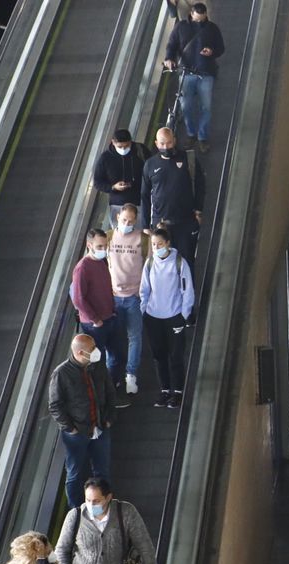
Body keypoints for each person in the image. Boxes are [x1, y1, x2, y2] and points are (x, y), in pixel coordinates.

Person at [47, 334, 116, 509]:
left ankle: (101, 508)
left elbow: (110, 392)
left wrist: (108, 419)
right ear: (79, 352)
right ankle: (76, 512)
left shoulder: (98, 366)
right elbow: (55, 405)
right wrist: (71, 429)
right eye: (92, 349)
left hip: (100, 428)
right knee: (74, 475)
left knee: (103, 472)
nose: (96, 351)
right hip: (76, 435)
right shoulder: (61, 374)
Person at [140, 227, 196, 409]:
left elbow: (187, 291)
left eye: (160, 244)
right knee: (159, 355)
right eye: (154, 245)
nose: (156, 248)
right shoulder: (149, 264)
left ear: (168, 243)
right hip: (153, 317)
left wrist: (184, 314)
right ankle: (164, 390)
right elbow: (145, 290)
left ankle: (178, 391)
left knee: (176, 355)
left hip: (174, 317)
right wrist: (144, 311)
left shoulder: (179, 263)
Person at [164, 3, 225, 151]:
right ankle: (191, 133)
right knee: (186, 107)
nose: (200, 22)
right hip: (186, 72)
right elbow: (171, 45)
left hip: (206, 73)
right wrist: (169, 58)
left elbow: (221, 48)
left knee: (206, 107)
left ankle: (202, 137)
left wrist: (212, 52)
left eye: (203, 19)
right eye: (198, 19)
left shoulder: (212, 28)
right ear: (191, 14)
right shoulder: (181, 27)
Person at [71, 230, 123, 393]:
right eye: (99, 246)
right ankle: (100, 395)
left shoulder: (102, 262)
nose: (104, 249)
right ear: (89, 245)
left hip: (110, 317)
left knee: (116, 357)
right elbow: (78, 298)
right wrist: (95, 319)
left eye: (105, 245)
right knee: (97, 363)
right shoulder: (82, 268)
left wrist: (113, 310)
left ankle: (111, 390)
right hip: (95, 325)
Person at [142, 126, 204, 263]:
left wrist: (199, 211)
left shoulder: (188, 158)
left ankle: (187, 285)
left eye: (169, 143)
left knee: (187, 261)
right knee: (162, 262)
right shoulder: (150, 165)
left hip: (186, 221)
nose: (166, 147)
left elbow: (200, 185)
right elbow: (145, 195)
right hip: (161, 222)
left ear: (174, 141)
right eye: (162, 144)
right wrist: (146, 225)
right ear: (156, 144)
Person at [107, 203, 147, 398]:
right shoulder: (107, 238)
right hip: (113, 298)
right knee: (113, 339)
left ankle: (131, 374)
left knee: (134, 337)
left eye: (131, 221)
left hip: (133, 298)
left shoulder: (143, 239)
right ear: (117, 218)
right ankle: (111, 376)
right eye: (124, 220)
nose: (127, 224)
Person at [91, 128, 148, 230]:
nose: (123, 149)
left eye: (126, 146)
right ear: (113, 142)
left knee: (141, 236)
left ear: (131, 142)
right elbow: (97, 182)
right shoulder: (106, 158)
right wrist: (113, 187)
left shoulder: (140, 151)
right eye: (120, 146)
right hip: (118, 205)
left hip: (140, 202)